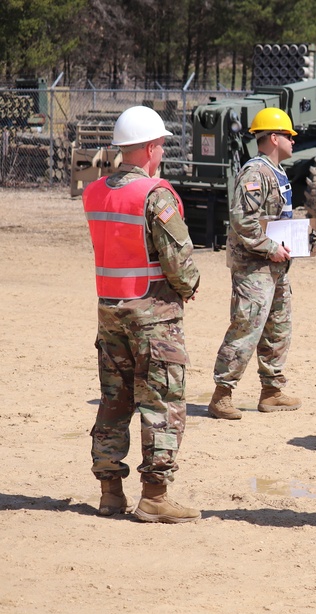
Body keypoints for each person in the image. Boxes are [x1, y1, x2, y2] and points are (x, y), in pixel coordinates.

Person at [83, 105, 201, 523]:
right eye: (162, 145)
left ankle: (110, 492)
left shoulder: (94, 191)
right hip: (154, 316)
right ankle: (154, 495)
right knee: (162, 403)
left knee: (114, 402)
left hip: (110, 312)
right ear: (151, 147)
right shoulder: (156, 194)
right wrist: (189, 288)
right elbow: (181, 264)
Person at [208, 108, 301, 420]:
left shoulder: (276, 172)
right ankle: (222, 395)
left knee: (278, 327)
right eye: (289, 136)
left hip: (274, 265)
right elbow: (243, 222)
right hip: (254, 266)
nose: (293, 141)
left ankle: (272, 391)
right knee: (247, 326)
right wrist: (271, 246)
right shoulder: (255, 174)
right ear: (274, 138)